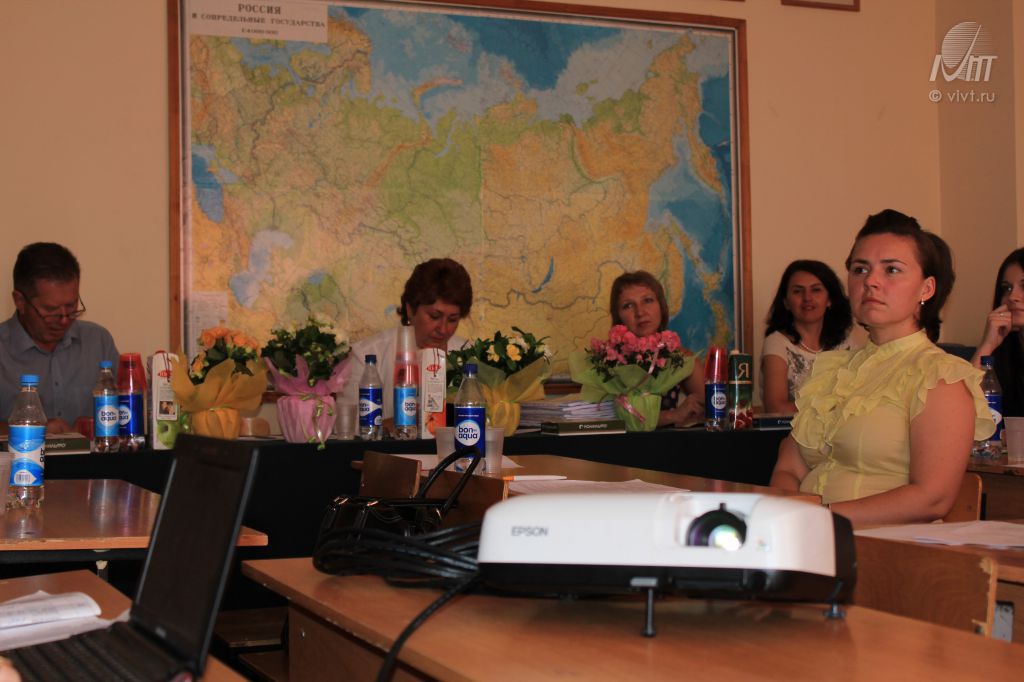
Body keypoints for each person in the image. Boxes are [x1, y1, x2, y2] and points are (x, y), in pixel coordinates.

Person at [769, 209, 994, 525]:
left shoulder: (940, 377)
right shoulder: (833, 370)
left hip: (885, 544)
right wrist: (788, 519)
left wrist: (819, 519)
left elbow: (932, 498)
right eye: (860, 269)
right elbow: (788, 467)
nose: (871, 281)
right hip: (810, 536)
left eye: (892, 270)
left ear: (926, 289)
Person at [0, 243, 119, 433]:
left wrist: (98, 424)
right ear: (20, 301)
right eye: (50, 310)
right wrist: (32, 430)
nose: (64, 320)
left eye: (71, 307)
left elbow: (126, 414)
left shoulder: (98, 341)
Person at [341, 258, 472, 420]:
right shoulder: (366, 355)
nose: (443, 329)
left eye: (452, 319)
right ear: (410, 309)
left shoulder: (469, 355)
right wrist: (404, 423)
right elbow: (348, 423)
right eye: (434, 316)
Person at [609, 271, 704, 427]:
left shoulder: (682, 359)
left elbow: (711, 413)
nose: (640, 312)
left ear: (661, 306)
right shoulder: (608, 359)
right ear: (618, 316)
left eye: (647, 300)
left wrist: (691, 413)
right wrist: (671, 416)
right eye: (628, 305)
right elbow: (608, 421)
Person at [761, 260, 853, 413]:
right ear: (786, 302)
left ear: (830, 299)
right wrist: (831, 408)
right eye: (798, 291)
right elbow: (776, 408)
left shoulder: (848, 344)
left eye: (816, 290)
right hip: (791, 428)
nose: (807, 298)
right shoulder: (776, 342)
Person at [971, 247, 1024, 417]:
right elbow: (963, 406)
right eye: (1006, 288)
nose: (1013, 296)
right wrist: (987, 344)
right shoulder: (1004, 354)